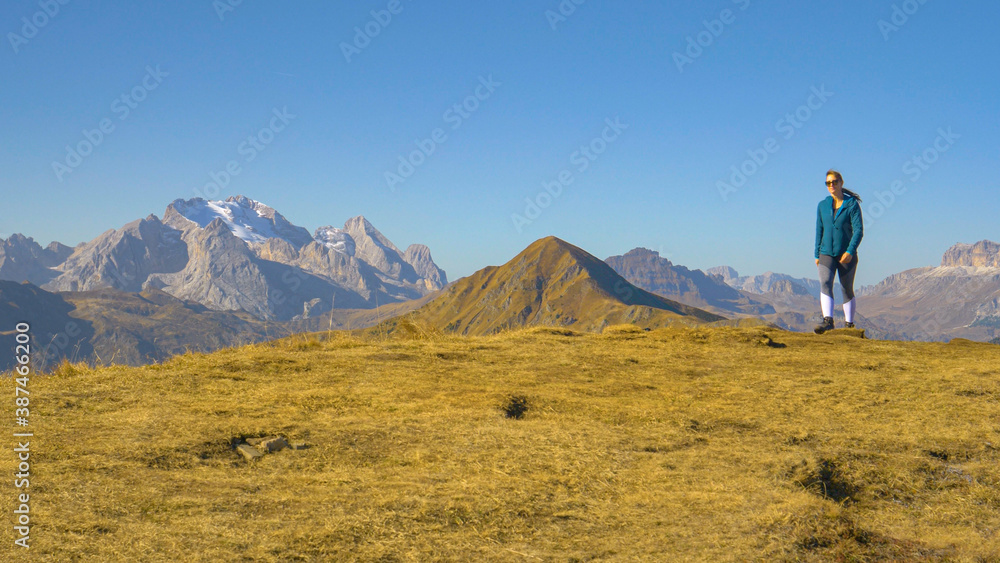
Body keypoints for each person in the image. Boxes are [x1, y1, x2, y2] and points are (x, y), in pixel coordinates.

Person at [814, 169, 863, 334]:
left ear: (841, 183)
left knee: (846, 288)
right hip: (826, 252)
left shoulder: (852, 205)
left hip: (845, 254)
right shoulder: (822, 205)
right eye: (828, 183)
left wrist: (850, 250)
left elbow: (858, 231)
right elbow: (819, 230)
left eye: (834, 182)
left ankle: (849, 325)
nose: (831, 185)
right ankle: (828, 320)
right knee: (825, 283)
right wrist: (816, 254)